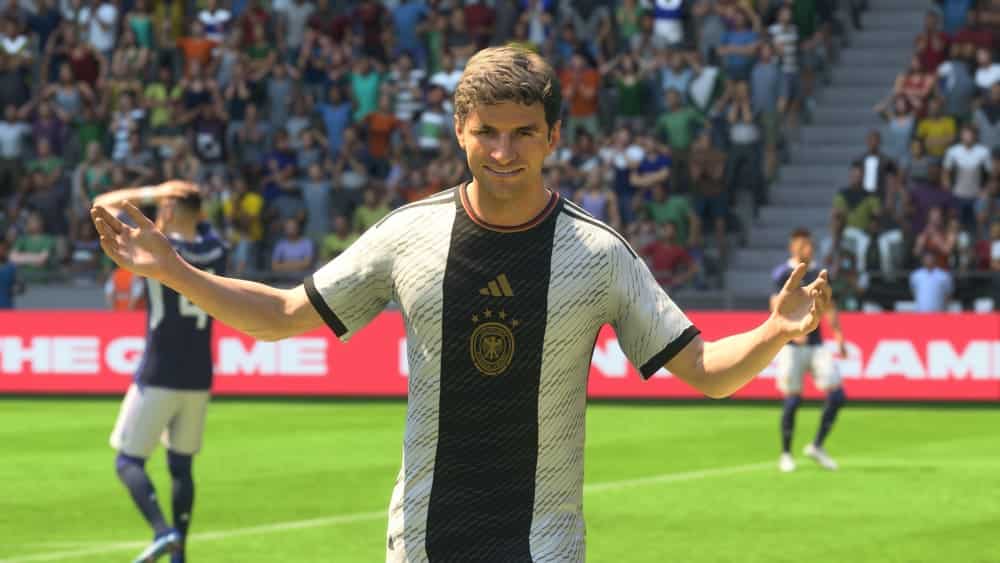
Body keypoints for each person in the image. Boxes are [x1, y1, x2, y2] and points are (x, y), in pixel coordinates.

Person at [92, 46, 833, 562]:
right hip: (422, 537)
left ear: (554, 137)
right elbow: (283, 316)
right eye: (487, 133)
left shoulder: (599, 254)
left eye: (523, 134)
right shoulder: (408, 235)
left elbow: (707, 370)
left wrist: (776, 329)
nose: (503, 152)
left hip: (545, 544)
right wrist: (174, 269)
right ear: (459, 131)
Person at [94, 180, 226, 563]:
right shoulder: (218, 248)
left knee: (128, 461)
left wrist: (155, 191)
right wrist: (187, 199)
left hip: (159, 370)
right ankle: (179, 553)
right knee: (181, 466)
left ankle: (162, 531)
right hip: (199, 375)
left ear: (168, 209)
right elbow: (200, 219)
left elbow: (101, 205)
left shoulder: (156, 246)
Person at [771, 228, 847, 474]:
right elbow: (776, 305)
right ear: (793, 247)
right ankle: (785, 453)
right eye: (804, 244)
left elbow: (829, 305)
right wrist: (793, 330)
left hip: (816, 343)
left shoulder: (818, 273)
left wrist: (838, 334)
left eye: (810, 244)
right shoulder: (783, 273)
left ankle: (817, 446)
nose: (809, 249)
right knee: (793, 399)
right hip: (792, 346)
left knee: (838, 395)